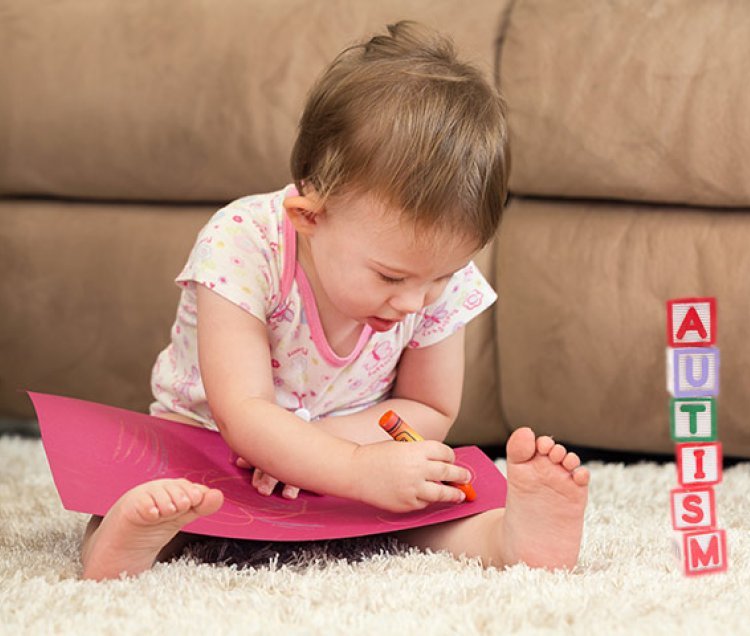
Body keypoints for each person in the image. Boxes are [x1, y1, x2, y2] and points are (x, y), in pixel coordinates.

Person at [80, 21, 590, 581]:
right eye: (390, 276)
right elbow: (243, 411)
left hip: (354, 448)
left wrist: (349, 465)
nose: (416, 302)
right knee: (156, 492)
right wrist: (350, 469)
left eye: (441, 276)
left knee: (422, 499)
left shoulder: (431, 280)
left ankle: (511, 537)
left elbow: (433, 409)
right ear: (310, 217)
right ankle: (124, 545)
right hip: (219, 449)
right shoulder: (244, 242)